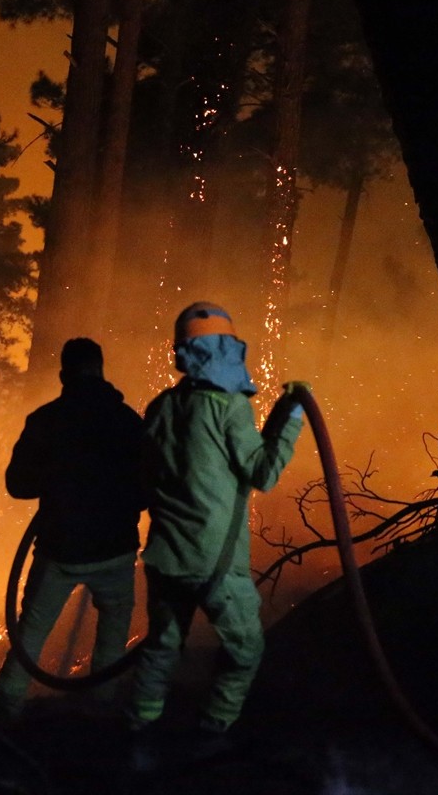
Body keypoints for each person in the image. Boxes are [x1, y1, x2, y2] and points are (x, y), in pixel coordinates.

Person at [127, 302, 306, 769]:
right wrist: (289, 417)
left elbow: (143, 480)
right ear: (227, 349)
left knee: (162, 648)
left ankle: (140, 740)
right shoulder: (230, 408)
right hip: (216, 565)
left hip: (166, 558)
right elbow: (263, 474)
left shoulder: (161, 407)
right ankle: (211, 734)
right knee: (246, 649)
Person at [0, 337, 146, 722]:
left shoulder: (46, 420)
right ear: (101, 371)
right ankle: (100, 715)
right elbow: (147, 488)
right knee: (112, 635)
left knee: (31, 636)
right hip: (116, 551)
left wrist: (58, 480)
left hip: (61, 551)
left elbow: (17, 484)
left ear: (63, 375)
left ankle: (0, 718)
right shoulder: (128, 421)